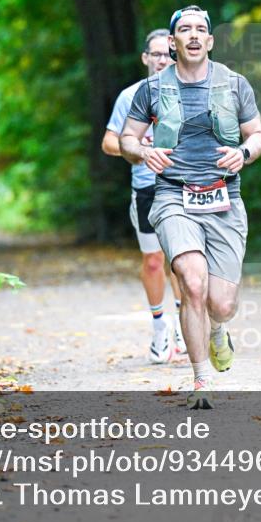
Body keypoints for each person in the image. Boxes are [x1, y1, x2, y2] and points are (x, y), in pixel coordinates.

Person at [119, 6, 261, 408]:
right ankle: (202, 380)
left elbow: (257, 133)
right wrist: (142, 152)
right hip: (172, 195)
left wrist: (245, 152)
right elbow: (127, 138)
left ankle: (217, 328)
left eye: (201, 29)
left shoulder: (235, 84)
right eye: (185, 30)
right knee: (192, 283)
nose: (194, 35)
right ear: (172, 42)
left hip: (224, 198)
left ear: (211, 40)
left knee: (222, 303)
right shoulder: (151, 89)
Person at [102, 29, 186, 364]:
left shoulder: (190, 92)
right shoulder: (131, 96)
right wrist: (137, 149)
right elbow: (109, 143)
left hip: (182, 185)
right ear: (145, 58)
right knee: (154, 260)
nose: (162, 59)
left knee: (183, 260)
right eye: (156, 54)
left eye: (168, 53)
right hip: (146, 187)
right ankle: (158, 326)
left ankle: (184, 325)